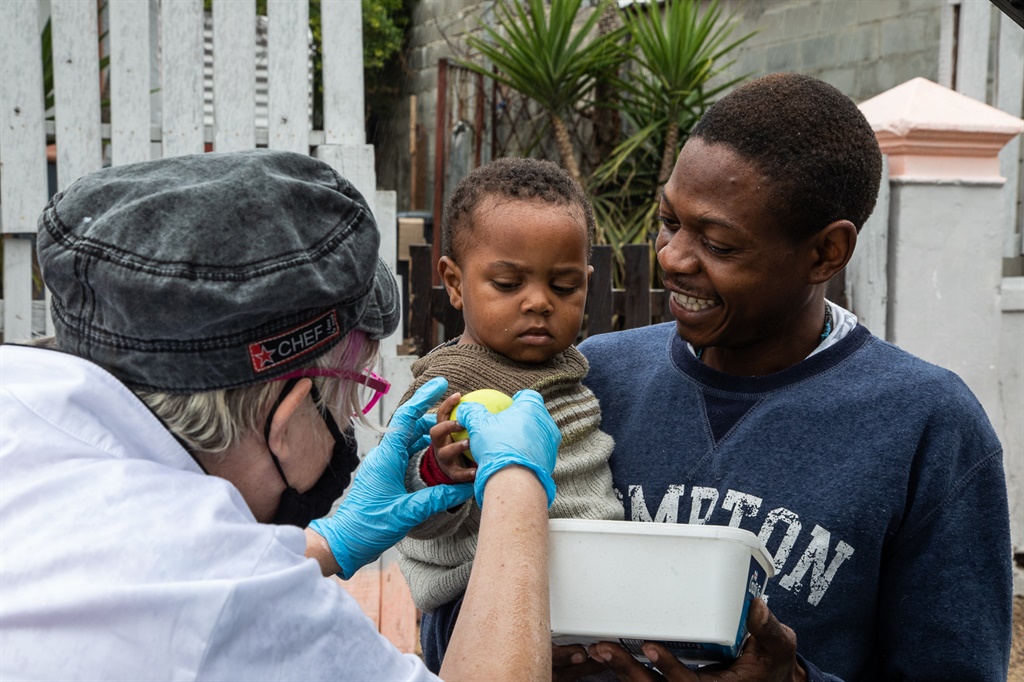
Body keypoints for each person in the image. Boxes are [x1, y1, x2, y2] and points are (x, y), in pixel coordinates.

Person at [0, 149, 562, 680]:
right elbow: (210, 590)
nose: (348, 428)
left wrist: (323, 545)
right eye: (350, 401)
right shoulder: (225, 593)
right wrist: (515, 482)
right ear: (292, 414)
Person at [560, 73, 1013, 681]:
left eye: (718, 244)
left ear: (826, 253)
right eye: (669, 221)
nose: (672, 257)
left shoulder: (927, 425)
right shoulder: (597, 379)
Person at [393, 157, 624, 671]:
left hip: (585, 601)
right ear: (454, 283)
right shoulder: (445, 387)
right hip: (474, 601)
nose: (539, 302)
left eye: (564, 287)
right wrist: (437, 469)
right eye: (507, 284)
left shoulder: (574, 369)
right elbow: (410, 511)